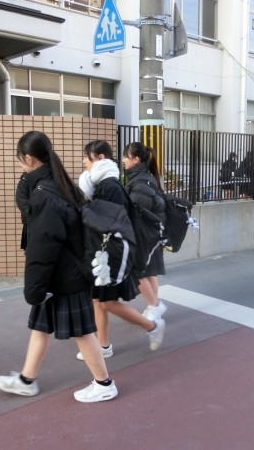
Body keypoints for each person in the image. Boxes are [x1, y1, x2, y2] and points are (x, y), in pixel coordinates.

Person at [0, 131, 118, 403]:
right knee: (41, 327)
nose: (19, 164)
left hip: (64, 276)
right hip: (65, 272)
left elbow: (43, 246)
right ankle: (27, 379)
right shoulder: (59, 184)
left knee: (83, 332)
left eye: (19, 159)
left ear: (28, 158)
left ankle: (104, 384)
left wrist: (33, 287)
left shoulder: (45, 194)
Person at [77, 140, 165, 358]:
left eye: (86, 157)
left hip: (110, 252)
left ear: (100, 157)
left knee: (108, 303)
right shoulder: (98, 183)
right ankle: (103, 346)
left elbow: (110, 222)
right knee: (98, 300)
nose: (83, 161)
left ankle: (152, 326)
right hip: (100, 251)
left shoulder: (109, 186)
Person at [122, 142, 168, 325]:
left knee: (137, 271)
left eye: (126, 156)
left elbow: (136, 212)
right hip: (152, 232)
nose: (123, 160)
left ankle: (154, 305)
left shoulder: (140, 182)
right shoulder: (145, 178)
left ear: (136, 159)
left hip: (143, 233)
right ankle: (153, 308)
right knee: (149, 271)